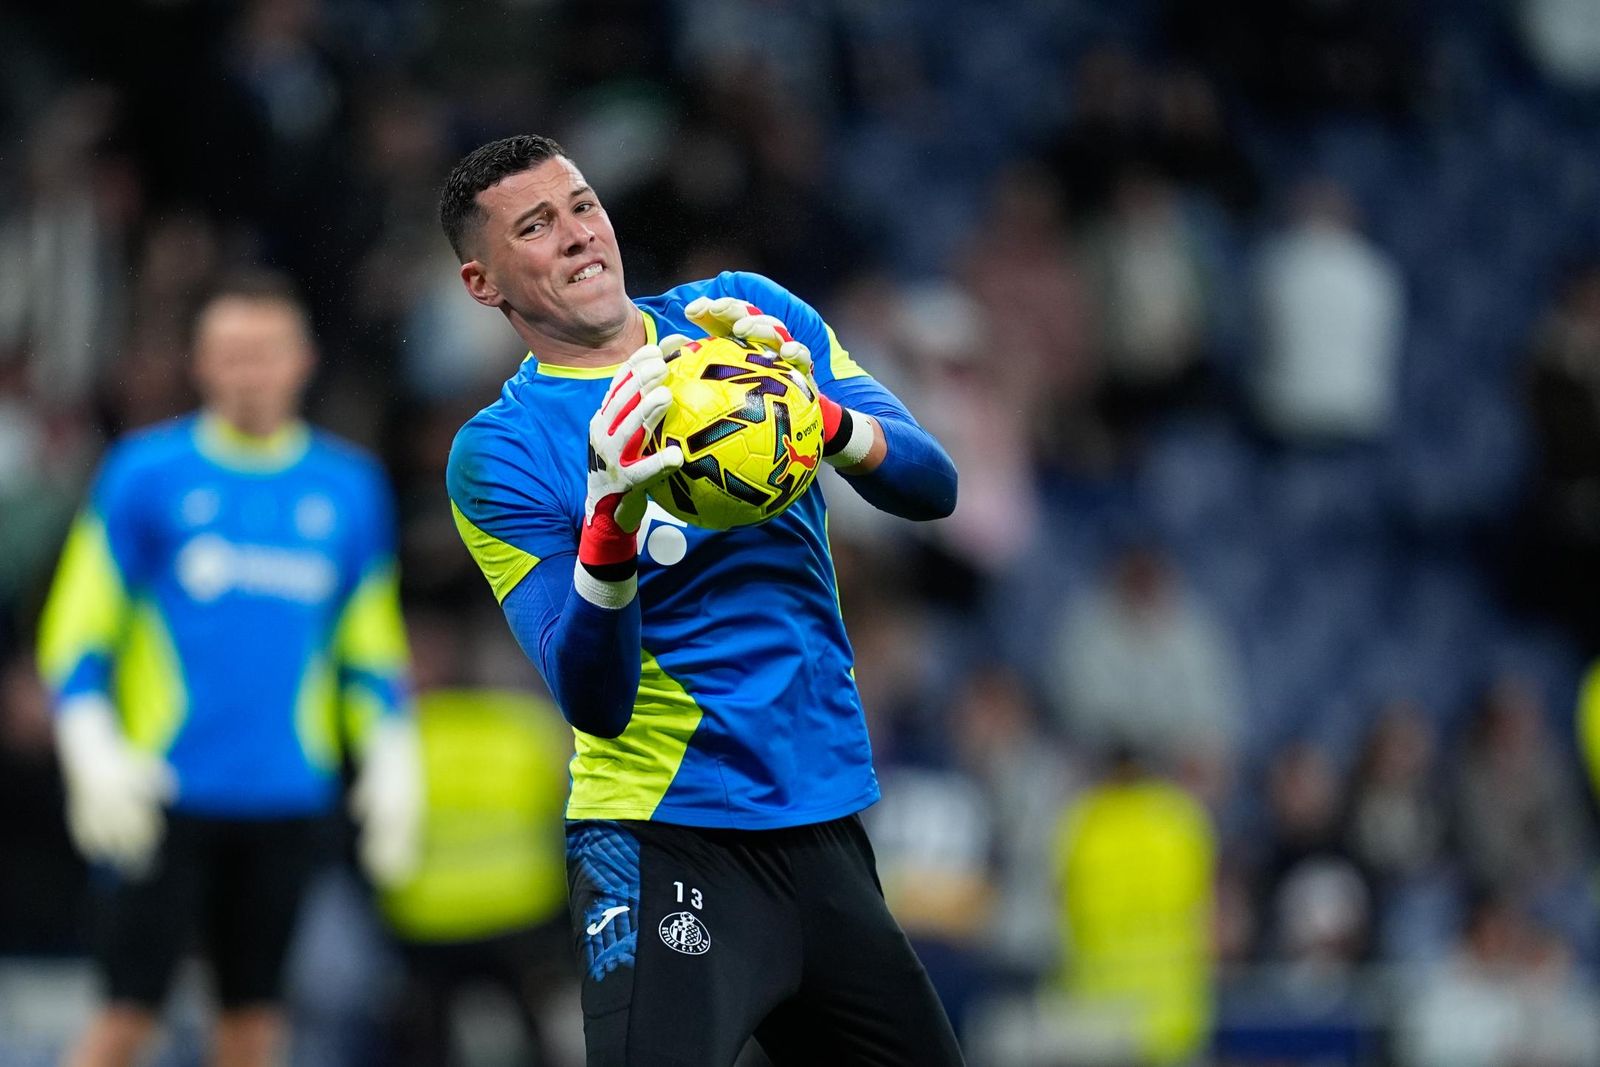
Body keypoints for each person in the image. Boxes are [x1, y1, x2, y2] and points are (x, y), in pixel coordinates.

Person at [440, 134, 962, 1065]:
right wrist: (609, 525)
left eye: (583, 205)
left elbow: (932, 484)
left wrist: (823, 418)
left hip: (824, 813)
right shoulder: (502, 449)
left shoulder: (747, 318)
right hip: (660, 836)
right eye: (535, 226)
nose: (577, 235)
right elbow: (593, 701)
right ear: (484, 284)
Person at [35, 271, 420, 1067]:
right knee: (124, 1019)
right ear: (201, 363)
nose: (250, 372)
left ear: (301, 359)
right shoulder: (146, 473)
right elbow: (78, 626)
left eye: (266, 352)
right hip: (162, 793)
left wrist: (391, 752)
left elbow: (368, 641)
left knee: (254, 1024)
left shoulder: (347, 488)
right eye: (232, 354)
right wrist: (89, 741)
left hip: (287, 794)